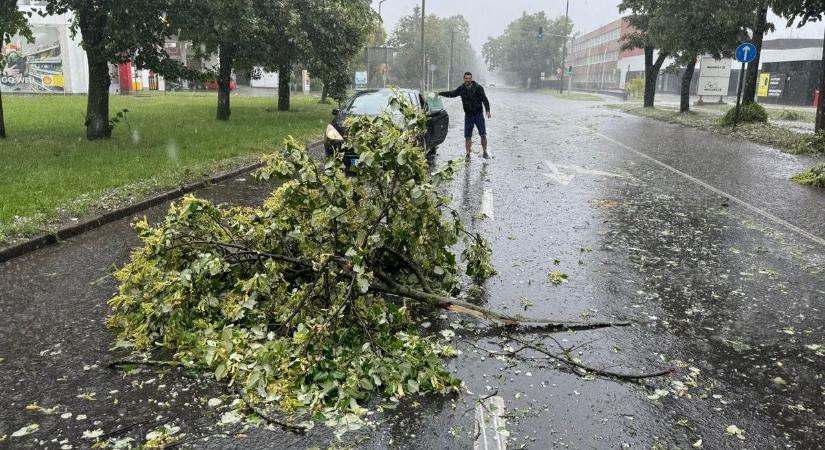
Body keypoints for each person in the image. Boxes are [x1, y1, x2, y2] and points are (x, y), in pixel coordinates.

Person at [438, 72, 492, 160]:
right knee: (467, 136)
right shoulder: (462, 88)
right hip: (468, 116)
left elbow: (484, 99)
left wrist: (488, 111)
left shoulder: (478, 88)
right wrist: (440, 93)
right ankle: (468, 154)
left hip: (478, 115)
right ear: (464, 79)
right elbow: (452, 94)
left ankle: (485, 152)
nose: (467, 80)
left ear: (471, 78)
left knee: (483, 134)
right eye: (466, 78)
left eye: (469, 78)